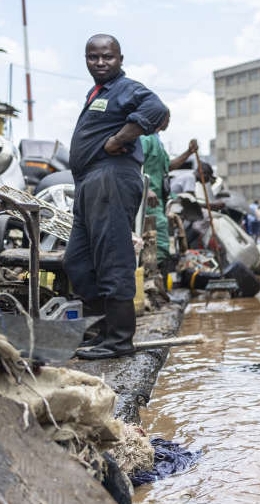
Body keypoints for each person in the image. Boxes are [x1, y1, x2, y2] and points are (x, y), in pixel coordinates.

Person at [66, 34, 167, 360]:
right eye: (93, 57)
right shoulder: (97, 92)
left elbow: (157, 109)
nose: (99, 63)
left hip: (111, 179)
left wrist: (119, 139)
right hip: (89, 184)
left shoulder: (126, 88)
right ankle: (100, 333)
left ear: (120, 59)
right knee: (78, 262)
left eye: (107, 57)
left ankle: (120, 340)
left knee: (112, 259)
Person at [139, 111, 196, 273]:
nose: (169, 121)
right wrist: (146, 188)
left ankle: (155, 284)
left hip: (158, 203)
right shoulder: (146, 139)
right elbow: (134, 163)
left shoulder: (158, 142)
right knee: (157, 243)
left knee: (155, 243)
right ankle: (152, 282)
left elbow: (168, 166)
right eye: (167, 118)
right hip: (147, 202)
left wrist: (188, 152)